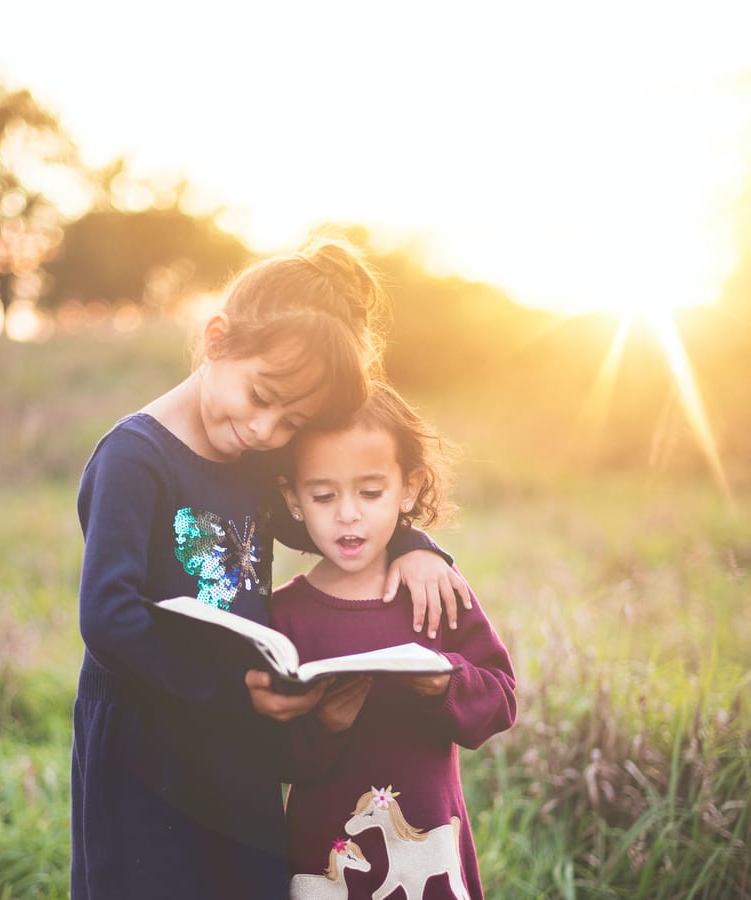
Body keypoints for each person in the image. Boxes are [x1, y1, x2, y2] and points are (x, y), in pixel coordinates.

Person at [70, 240, 471, 900]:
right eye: (261, 397)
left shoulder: (255, 463)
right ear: (217, 339)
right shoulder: (134, 458)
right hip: (148, 739)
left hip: (240, 736)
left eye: (292, 422)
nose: (264, 430)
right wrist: (233, 691)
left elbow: (333, 528)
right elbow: (107, 618)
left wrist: (414, 545)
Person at [272, 381, 517, 900]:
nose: (347, 513)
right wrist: (323, 726)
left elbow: (500, 699)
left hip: (427, 838)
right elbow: (266, 753)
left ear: (408, 488)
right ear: (293, 498)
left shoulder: (434, 590)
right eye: (322, 495)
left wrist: (445, 682)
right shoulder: (283, 615)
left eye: (370, 492)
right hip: (324, 849)